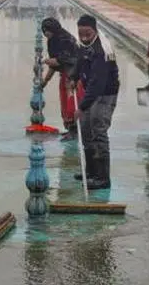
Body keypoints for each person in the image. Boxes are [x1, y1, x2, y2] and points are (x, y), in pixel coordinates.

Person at [69, 15, 120, 189]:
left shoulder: (101, 50)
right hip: (92, 92)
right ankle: (90, 171)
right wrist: (73, 77)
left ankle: (103, 178)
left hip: (105, 94)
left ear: (95, 30)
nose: (84, 38)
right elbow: (80, 61)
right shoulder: (83, 44)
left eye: (87, 34)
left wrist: (82, 107)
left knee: (98, 131)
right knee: (85, 130)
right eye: (81, 33)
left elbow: (98, 84)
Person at [39, 17, 82, 140]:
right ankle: (69, 128)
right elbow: (54, 63)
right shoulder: (52, 40)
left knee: (71, 100)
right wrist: (45, 81)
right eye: (44, 31)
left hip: (74, 74)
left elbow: (59, 60)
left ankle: (74, 130)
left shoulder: (65, 40)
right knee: (64, 101)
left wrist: (45, 61)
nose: (46, 33)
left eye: (47, 30)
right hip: (65, 73)